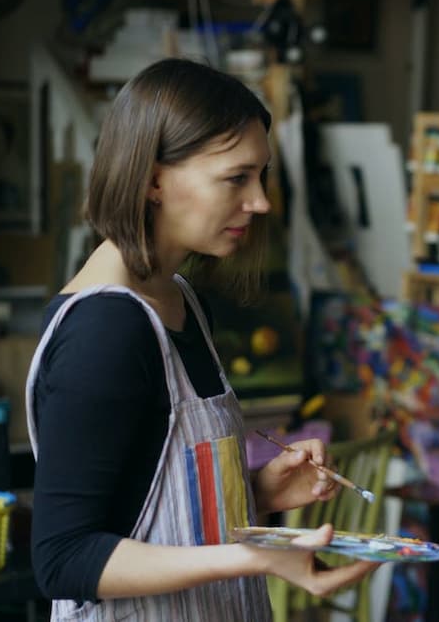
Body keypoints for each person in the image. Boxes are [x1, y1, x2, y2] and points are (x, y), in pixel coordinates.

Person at [26, 58, 376, 620]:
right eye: (237, 178)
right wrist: (256, 556)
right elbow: (63, 559)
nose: (260, 202)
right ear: (153, 180)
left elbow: (149, 508)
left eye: (261, 176)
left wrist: (258, 491)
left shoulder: (183, 300)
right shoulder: (105, 331)